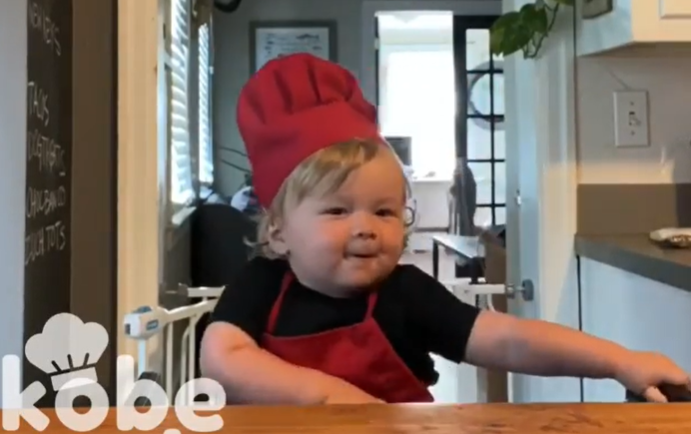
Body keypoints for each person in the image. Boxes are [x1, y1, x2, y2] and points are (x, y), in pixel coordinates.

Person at [199, 53, 690, 405]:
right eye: (337, 211)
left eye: (384, 211)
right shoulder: (261, 284)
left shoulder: (407, 293)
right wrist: (330, 398)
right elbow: (223, 358)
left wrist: (618, 360)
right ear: (279, 231)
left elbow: (509, 339)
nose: (366, 228)